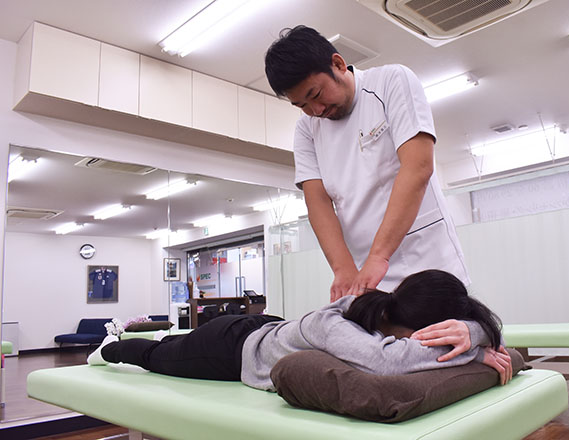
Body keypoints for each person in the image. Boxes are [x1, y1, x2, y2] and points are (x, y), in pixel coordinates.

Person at [265, 26, 470, 302]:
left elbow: (418, 167)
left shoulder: (391, 81)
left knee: (447, 340)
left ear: (337, 64)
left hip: (429, 264)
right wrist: (343, 269)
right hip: (368, 279)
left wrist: (379, 256)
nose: (316, 111)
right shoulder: (306, 130)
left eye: (315, 95)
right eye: (301, 104)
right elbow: (318, 203)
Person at [87, 270, 513, 392]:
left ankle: (151, 339)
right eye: (432, 336)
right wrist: (477, 351)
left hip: (272, 329)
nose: (435, 344)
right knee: (157, 358)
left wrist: (473, 332)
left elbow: (493, 329)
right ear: (404, 324)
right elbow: (387, 362)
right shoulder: (337, 328)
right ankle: (112, 347)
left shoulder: (386, 315)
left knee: (172, 344)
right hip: (230, 349)